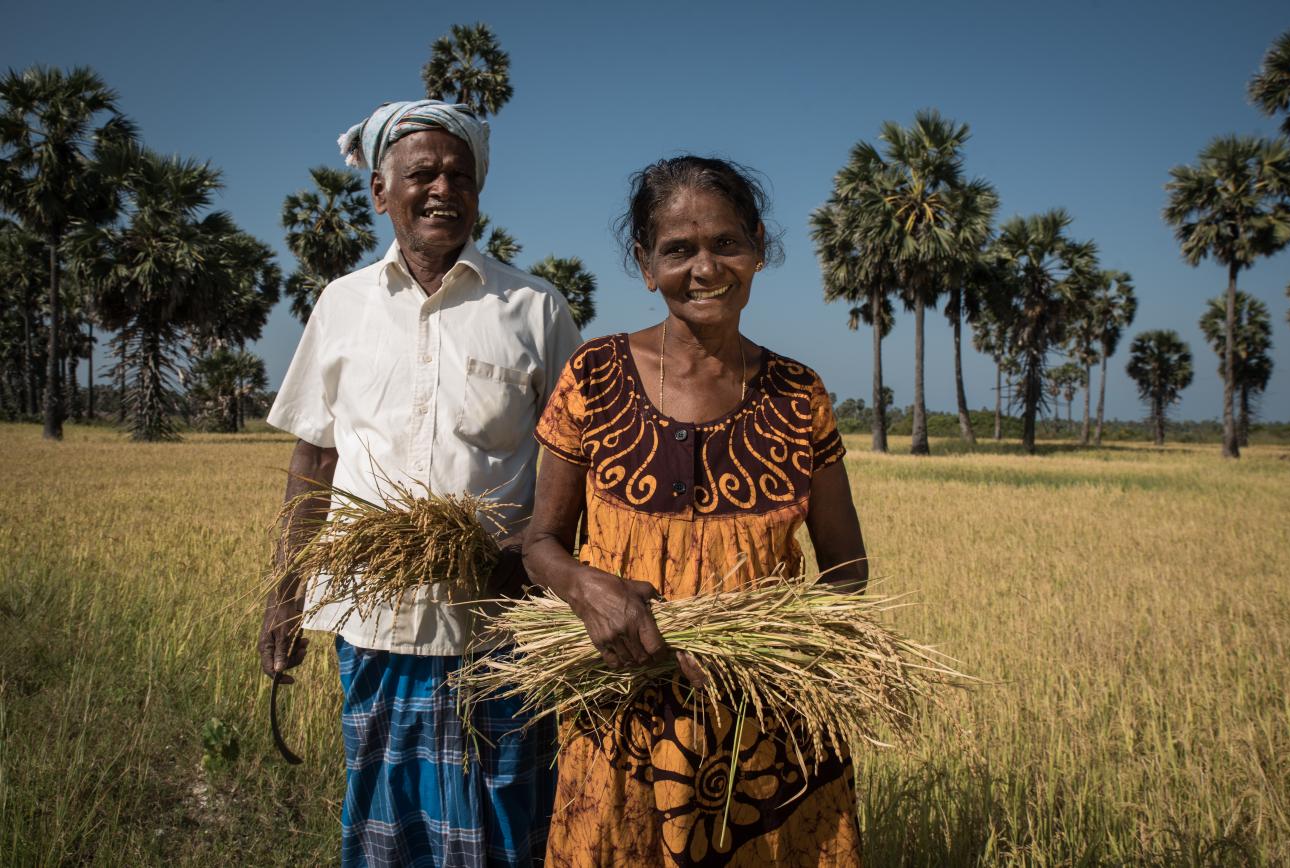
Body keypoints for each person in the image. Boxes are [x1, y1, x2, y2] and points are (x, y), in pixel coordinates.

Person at [257, 99, 582, 867]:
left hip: (500, 625)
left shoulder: (533, 309)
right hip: (374, 622)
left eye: (459, 175)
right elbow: (314, 463)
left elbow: (584, 465)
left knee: (505, 822)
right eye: (422, 173)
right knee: (387, 823)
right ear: (379, 191)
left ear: (477, 192)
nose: (442, 189)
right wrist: (286, 592)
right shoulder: (341, 306)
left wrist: (529, 550)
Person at [524, 156, 868, 867]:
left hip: (764, 731)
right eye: (678, 250)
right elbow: (541, 542)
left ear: (758, 249)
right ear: (647, 267)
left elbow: (848, 568)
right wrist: (587, 588)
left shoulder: (798, 396)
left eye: (726, 244)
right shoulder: (593, 376)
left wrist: (775, 653)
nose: (705, 268)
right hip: (620, 712)